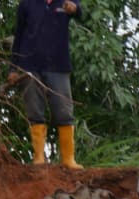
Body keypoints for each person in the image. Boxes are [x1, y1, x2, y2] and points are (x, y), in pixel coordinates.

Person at [7, 0, 83, 168]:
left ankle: (68, 159)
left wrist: (75, 8)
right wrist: (13, 68)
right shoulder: (26, 3)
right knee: (34, 111)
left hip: (58, 66)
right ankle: (39, 157)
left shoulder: (65, 2)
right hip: (29, 66)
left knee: (64, 112)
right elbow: (19, 36)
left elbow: (80, 12)